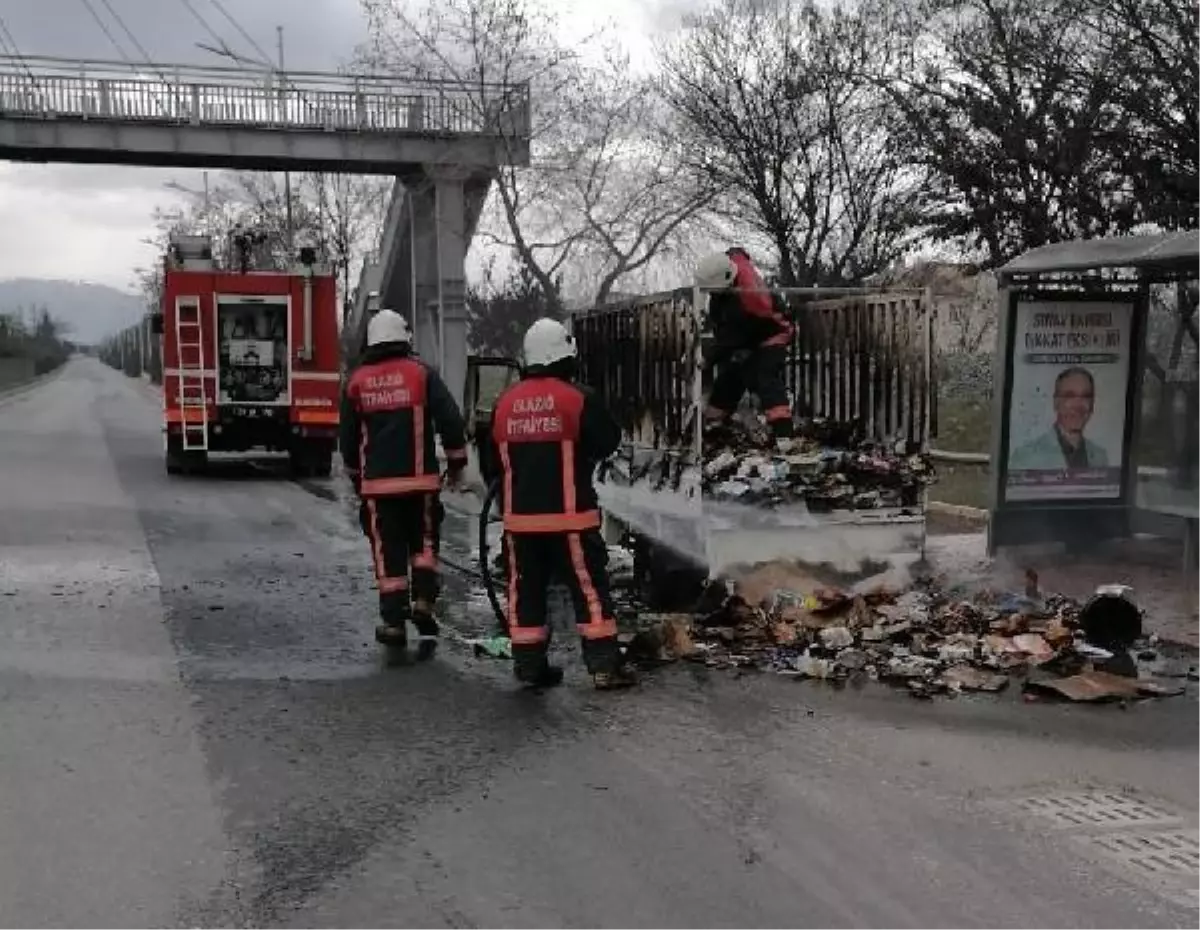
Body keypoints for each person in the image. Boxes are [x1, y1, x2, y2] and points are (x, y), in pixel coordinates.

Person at [490, 317, 637, 691]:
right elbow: (607, 441)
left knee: (524, 591)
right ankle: (604, 666)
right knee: (588, 591)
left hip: (520, 523)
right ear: (563, 356)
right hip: (571, 520)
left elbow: (492, 463)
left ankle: (529, 667)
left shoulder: (504, 404)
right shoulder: (577, 399)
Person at [340, 309, 468, 658]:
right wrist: (457, 463)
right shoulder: (422, 375)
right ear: (404, 338)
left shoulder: (356, 382)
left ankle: (394, 624)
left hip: (378, 490)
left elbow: (348, 441)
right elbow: (451, 421)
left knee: (388, 551)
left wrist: (355, 478)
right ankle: (424, 602)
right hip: (421, 484)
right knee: (424, 542)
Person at [696, 248, 795, 440]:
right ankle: (714, 422)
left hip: (773, 332)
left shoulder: (748, 299)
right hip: (749, 334)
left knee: (765, 376)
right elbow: (725, 329)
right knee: (732, 374)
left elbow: (730, 338)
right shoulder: (728, 274)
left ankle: (783, 431)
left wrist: (709, 358)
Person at [1009, 366, 1110, 471]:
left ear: (1092, 403)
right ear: (1056, 403)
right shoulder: (1025, 457)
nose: (1078, 405)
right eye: (1069, 396)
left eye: (1085, 396)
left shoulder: (1100, 456)